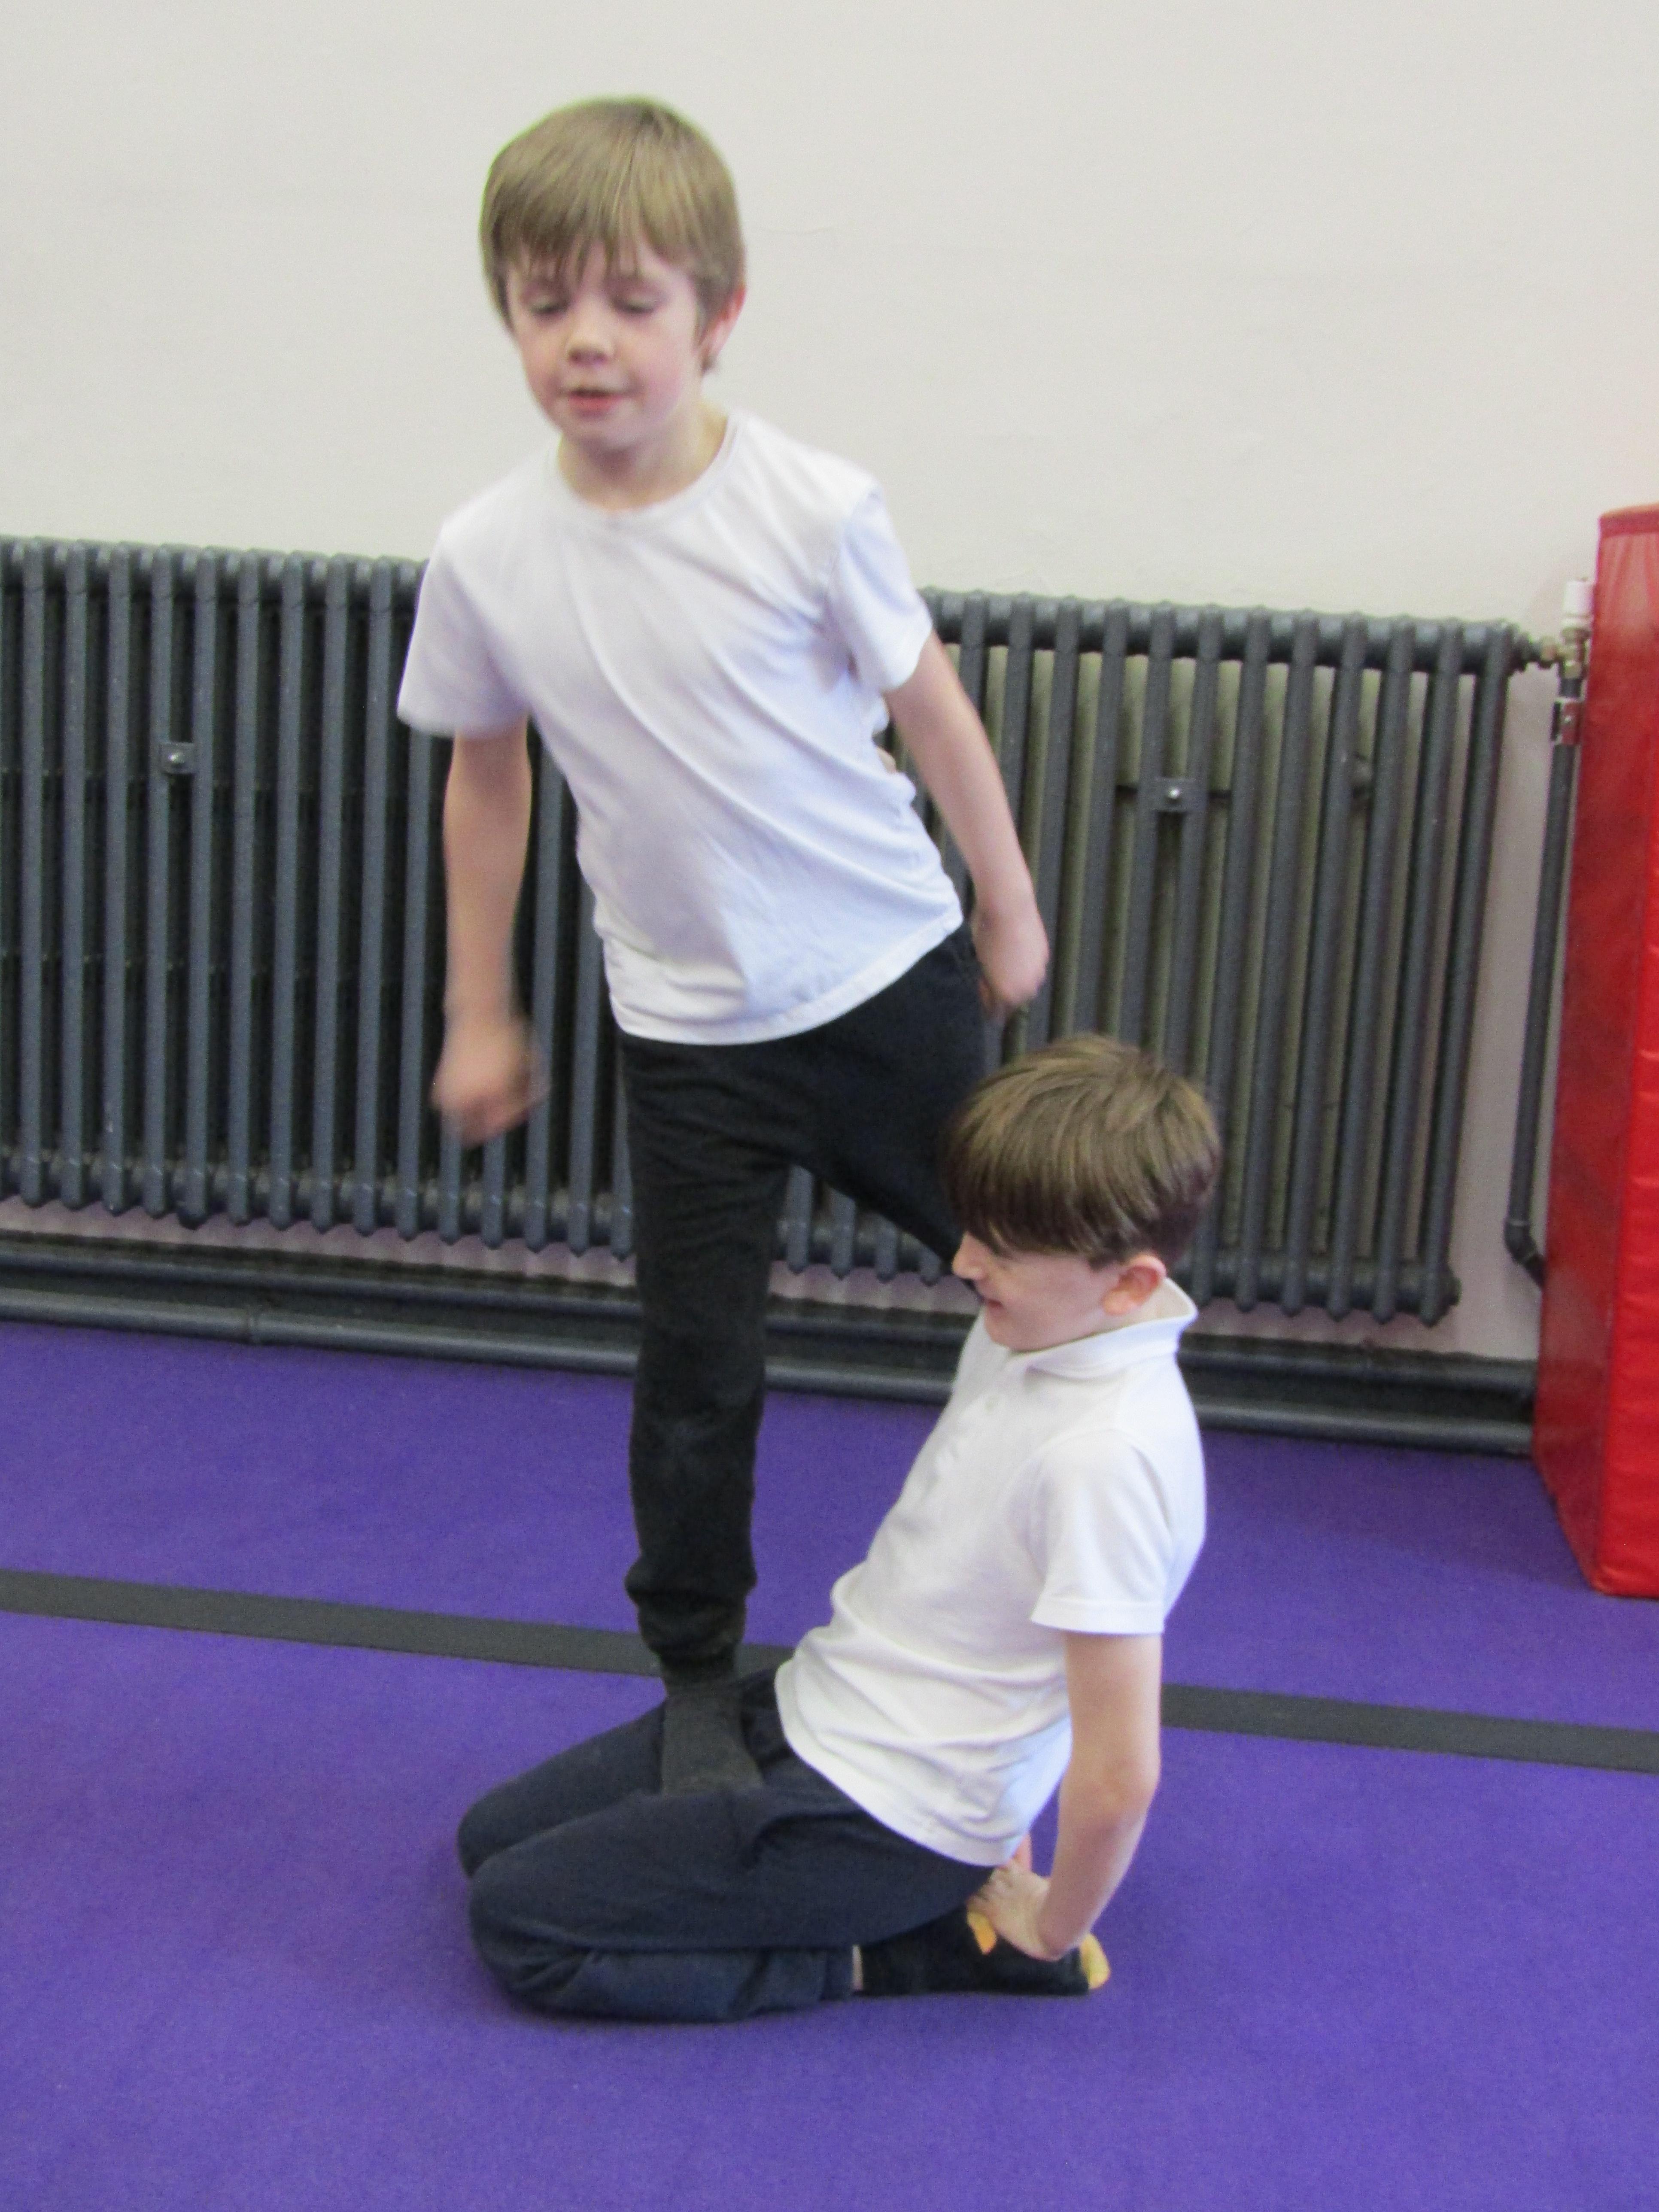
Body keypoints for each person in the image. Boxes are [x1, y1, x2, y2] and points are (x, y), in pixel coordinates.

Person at [397, 97, 1050, 1796]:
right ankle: (698, 1670)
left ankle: (1050, 1598)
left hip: (883, 981)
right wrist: (481, 1004)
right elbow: (486, 781)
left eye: (632, 302)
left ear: (717, 316)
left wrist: (1006, 897)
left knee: (1033, 1273)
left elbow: (931, 706)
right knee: (696, 1365)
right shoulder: (487, 554)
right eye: (545, 303)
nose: (586, 341)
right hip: (686, 1032)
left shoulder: (809, 506)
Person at [457, 1035, 1221, 2024]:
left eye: (1001, 1250)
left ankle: (879, 1956)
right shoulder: (1043, 1324)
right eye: (973, 1230)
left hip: (889, 1816)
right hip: (816, 1705)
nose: (964, 1260)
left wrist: (1048, 1928)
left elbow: (1121, 1773)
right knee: (490, 1841)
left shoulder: (1107, 1458)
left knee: (522, 1924)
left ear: (1129, 1283)